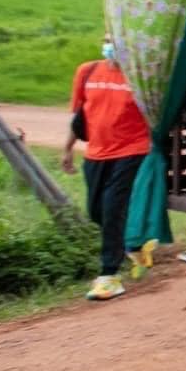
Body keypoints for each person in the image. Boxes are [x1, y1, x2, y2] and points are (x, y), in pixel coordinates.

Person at [61, 45, 154, 300]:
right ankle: (136, 241)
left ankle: (109, 276)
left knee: (113, 208)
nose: (111, 44)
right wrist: (67, 149)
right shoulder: (87, 71)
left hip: (133, 151)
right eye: (108, 38)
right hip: (96, 154)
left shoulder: (141, 78)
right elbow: (80, 116)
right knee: (96, 211)